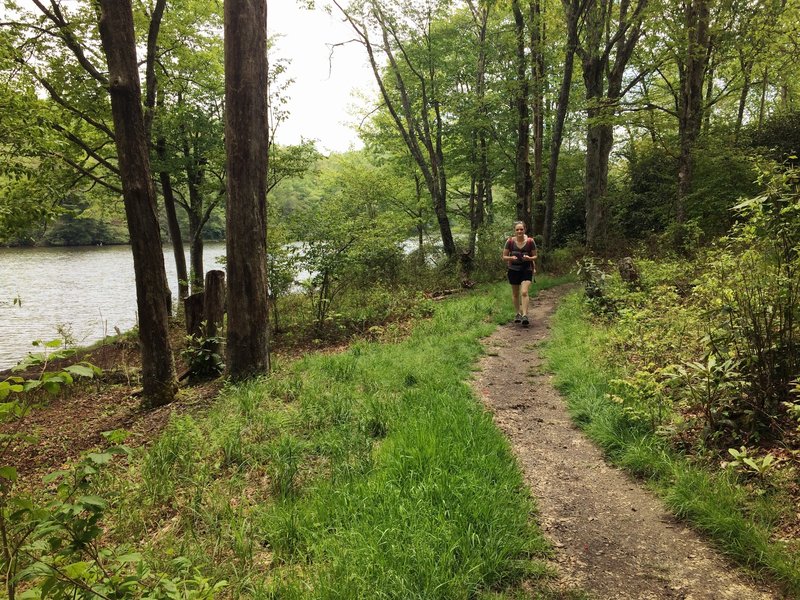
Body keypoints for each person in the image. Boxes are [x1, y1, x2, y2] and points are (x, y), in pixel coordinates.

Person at [502, 221, 537, 327]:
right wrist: (511, 258)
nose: (519, 231)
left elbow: (535, 256)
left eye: (521, 229)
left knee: (524, 292)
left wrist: (529, 258)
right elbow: (504, 257)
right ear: (514, 231)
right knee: (515, 293)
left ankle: (525, 315)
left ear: (524, 229)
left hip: (526, 269)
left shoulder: (531, 241)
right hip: (513, 269)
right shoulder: (510, 242)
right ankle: (517, 313)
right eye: (517, 229)